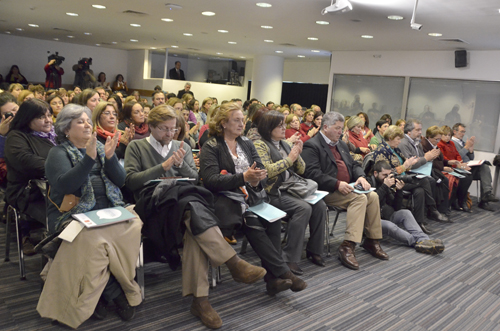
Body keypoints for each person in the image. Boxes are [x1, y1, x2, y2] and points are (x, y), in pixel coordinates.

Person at [124, 104, 265, 329]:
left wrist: (179, 167)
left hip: (183, 203)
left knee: (194, 227)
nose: (170, 134)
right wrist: (164, 166)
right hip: (154, 205)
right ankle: (232, 262)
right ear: (151, 127)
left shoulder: (183, 146)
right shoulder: (136, 146)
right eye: (164, 129)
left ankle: (201, 301)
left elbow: (195, 179)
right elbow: (131, 181)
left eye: (174, 129)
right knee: (193, 209)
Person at [38, 104, 141, 327]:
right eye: (80, 121)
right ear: (66, 129)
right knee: (96, 243)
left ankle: (99, 296)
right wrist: (89, 158)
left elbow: (121, 180)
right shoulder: (58, 153)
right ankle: (116, 294)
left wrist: (111, 158)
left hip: (110, 211)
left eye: (87, 121)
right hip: (76, 214)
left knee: (133, 225)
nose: (87, 124)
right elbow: (66, 184)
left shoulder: (101, 146)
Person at [199, 102, 307, 296]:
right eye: (236, 120)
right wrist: (243, 178)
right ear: (223, 123)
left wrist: (256, 180)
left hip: (251, 196)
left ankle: (273, 280)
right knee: (254, 221)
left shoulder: (246, 143)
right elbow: (210, 180)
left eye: (243, 120)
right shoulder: (212, 145)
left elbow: (261, 171)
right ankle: (282, 272)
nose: (242, 124)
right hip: (226, 200)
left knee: (272, 220)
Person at [301, 111, 388, 270]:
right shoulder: (312, 145)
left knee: (373, 196)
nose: (341, 132)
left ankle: (371, 240)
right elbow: (312, 174)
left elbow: (354, 165)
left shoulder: (340, 144)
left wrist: (361, 177)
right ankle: (348, 246)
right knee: (359, 199)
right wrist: (337, 184)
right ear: (325, 127)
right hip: (325, 191)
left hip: (347, 187)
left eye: (341, 128)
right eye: (337, 128)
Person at [254, 110, 326, 274]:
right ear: (268, 127)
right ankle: (289, 257)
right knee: (304, 208)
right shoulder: (260, 144)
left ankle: (314, 250)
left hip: (291, 188)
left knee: (320, 205)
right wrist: (290, 159)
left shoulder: (285, 144)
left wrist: (298, 154)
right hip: (272, 193)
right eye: (279, 126)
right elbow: (266, 171)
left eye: (283, 125)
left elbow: (301, 170)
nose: (283, 128)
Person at [373, 125, 450, 228]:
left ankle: (419, 222)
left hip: (403, 177)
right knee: (425, 181)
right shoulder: (381, 151)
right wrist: (404, 166)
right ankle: (432, 209)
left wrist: (409, 164)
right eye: (398, 139)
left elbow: (405, 166)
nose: (399, 142)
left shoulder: (394, 149)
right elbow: (386, 173)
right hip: (392, 181)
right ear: (390, 138)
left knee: (420, 190)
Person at [4, 99, 55, 255]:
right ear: (27, 118)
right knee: (60, 215)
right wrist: (61, 165)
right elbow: (28, 162)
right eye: (41, 117)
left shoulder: (56, 135)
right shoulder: (16, 137)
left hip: (52, 188)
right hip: (28, 193)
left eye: (49, 115)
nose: (48, 120)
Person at [367, 161, 445, 254]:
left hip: (386, 215)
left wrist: (399, 191)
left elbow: (396, 207)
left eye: (389, 174)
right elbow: (371, 203)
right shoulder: (368, 182)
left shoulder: (385, 184)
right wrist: (384, 186)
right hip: (372, 220)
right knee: (390, 226)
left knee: (405, 212)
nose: (388, 178)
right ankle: (417, 242)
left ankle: (424, 239)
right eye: (384, 175)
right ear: (375, 173)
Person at [398, 119, 451, 217]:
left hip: (420, 170)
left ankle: (437, 209)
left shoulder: (417, 142)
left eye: (420, 130)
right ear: (409, 131)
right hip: (409, 173)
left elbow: (423, 159)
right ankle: (432, 210)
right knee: (431, 180)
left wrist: (429, 157)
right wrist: (426, 158)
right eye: (417, 130)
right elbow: (411, 164)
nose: (420, 132)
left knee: (440, 179)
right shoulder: (403, 143)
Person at [424, 125, 473, 212]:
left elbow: (455, 156)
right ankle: (449, 204)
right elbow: (439, 161)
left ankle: (460, 201)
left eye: (448, 135)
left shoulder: (451, 143)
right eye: (445, 135)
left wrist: (459, 163)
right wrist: (453, 164)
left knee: (467, 177)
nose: (447, 137)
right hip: (443, 168)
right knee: (455, 179)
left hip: (449, 166)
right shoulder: (438, 144)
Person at [451, 123, 498, 210]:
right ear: (454, 131)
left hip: (469, 166)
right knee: (481, 170)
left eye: (464, 132)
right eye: (461, 131)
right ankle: (466, 200)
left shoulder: (463, 142)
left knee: (485, 167)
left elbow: (471, 158)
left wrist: (471, 151)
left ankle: (486, 197)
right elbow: (456, 158)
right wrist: (466, 147)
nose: (463, 134)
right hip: (459, 168)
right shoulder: (451, 143)